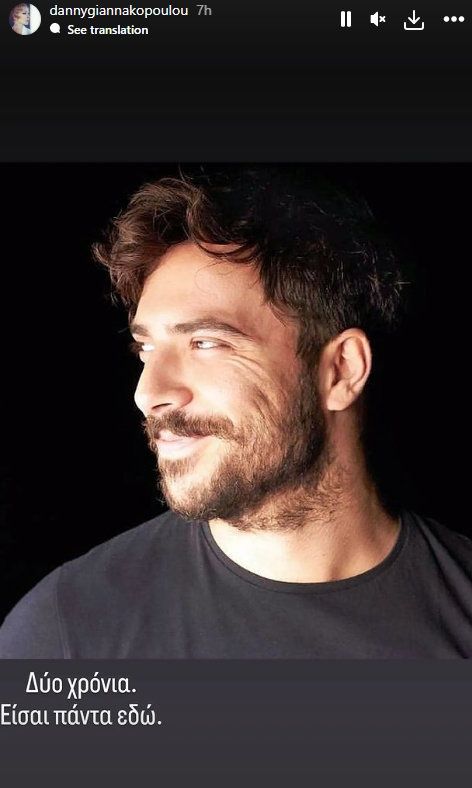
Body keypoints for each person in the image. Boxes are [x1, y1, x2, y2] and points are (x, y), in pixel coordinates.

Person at [1, 166, 471, 658]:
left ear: (341, 371)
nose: (148, 393)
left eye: (205, 342)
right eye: (146, 350)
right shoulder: (67, 635)